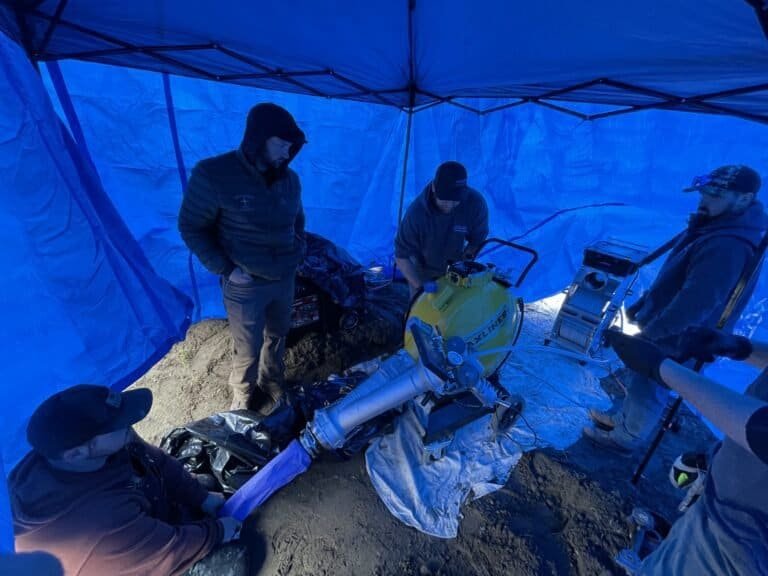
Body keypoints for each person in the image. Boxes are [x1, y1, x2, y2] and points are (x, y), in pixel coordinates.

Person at [584, 165, 767, 452]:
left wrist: (653, 333)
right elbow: (676, 277)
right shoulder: (715, 224)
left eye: (716, 194)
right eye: (704, 192)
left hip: (683, 334)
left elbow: (697, 301)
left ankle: (626, 437)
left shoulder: (729, 244)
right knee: (642, 378)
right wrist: (644, 305)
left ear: (744, 199)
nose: (705, 200)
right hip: (670, 324)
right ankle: (623, 420)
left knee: (651, 382)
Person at [8, 385, 242, 576]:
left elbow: (153, 460)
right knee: (228, 563)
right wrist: (220, 531)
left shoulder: (79, 452)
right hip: (122, 556)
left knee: (205, 489)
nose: (129, 424)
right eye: (118, 424)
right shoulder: (99, 524)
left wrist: (201, 498)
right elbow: (170, 550)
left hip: (131, 523)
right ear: (76, 453)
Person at [604, 328, 768, 575]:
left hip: (740, 551)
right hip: (719, 507)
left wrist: (660, 369)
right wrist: (739, 347)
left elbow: (762, 431)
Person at [179, 103, 307, 412]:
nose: (287, 153)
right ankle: (243, 395)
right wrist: (226, 269)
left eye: (292, 146)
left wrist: (297, 250)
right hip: (246, 283)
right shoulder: (214, 175)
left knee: (278, 336)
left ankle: (273, 381)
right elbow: (191, 226)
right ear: (258, 138)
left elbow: (298, 220)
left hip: (284, 278)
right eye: (281, 143)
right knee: (247, 348)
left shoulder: (290, 180)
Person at [394, 161, 489, 297]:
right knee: (421, 312)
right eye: (444, 200)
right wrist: (420, 286)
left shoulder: (475, 204)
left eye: (455, 201)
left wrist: (465, 261)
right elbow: (401, 256)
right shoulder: (417, 213)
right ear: (434, 188)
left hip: (456, 269)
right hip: (422, 270)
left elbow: (477, 239)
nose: (449, 205)